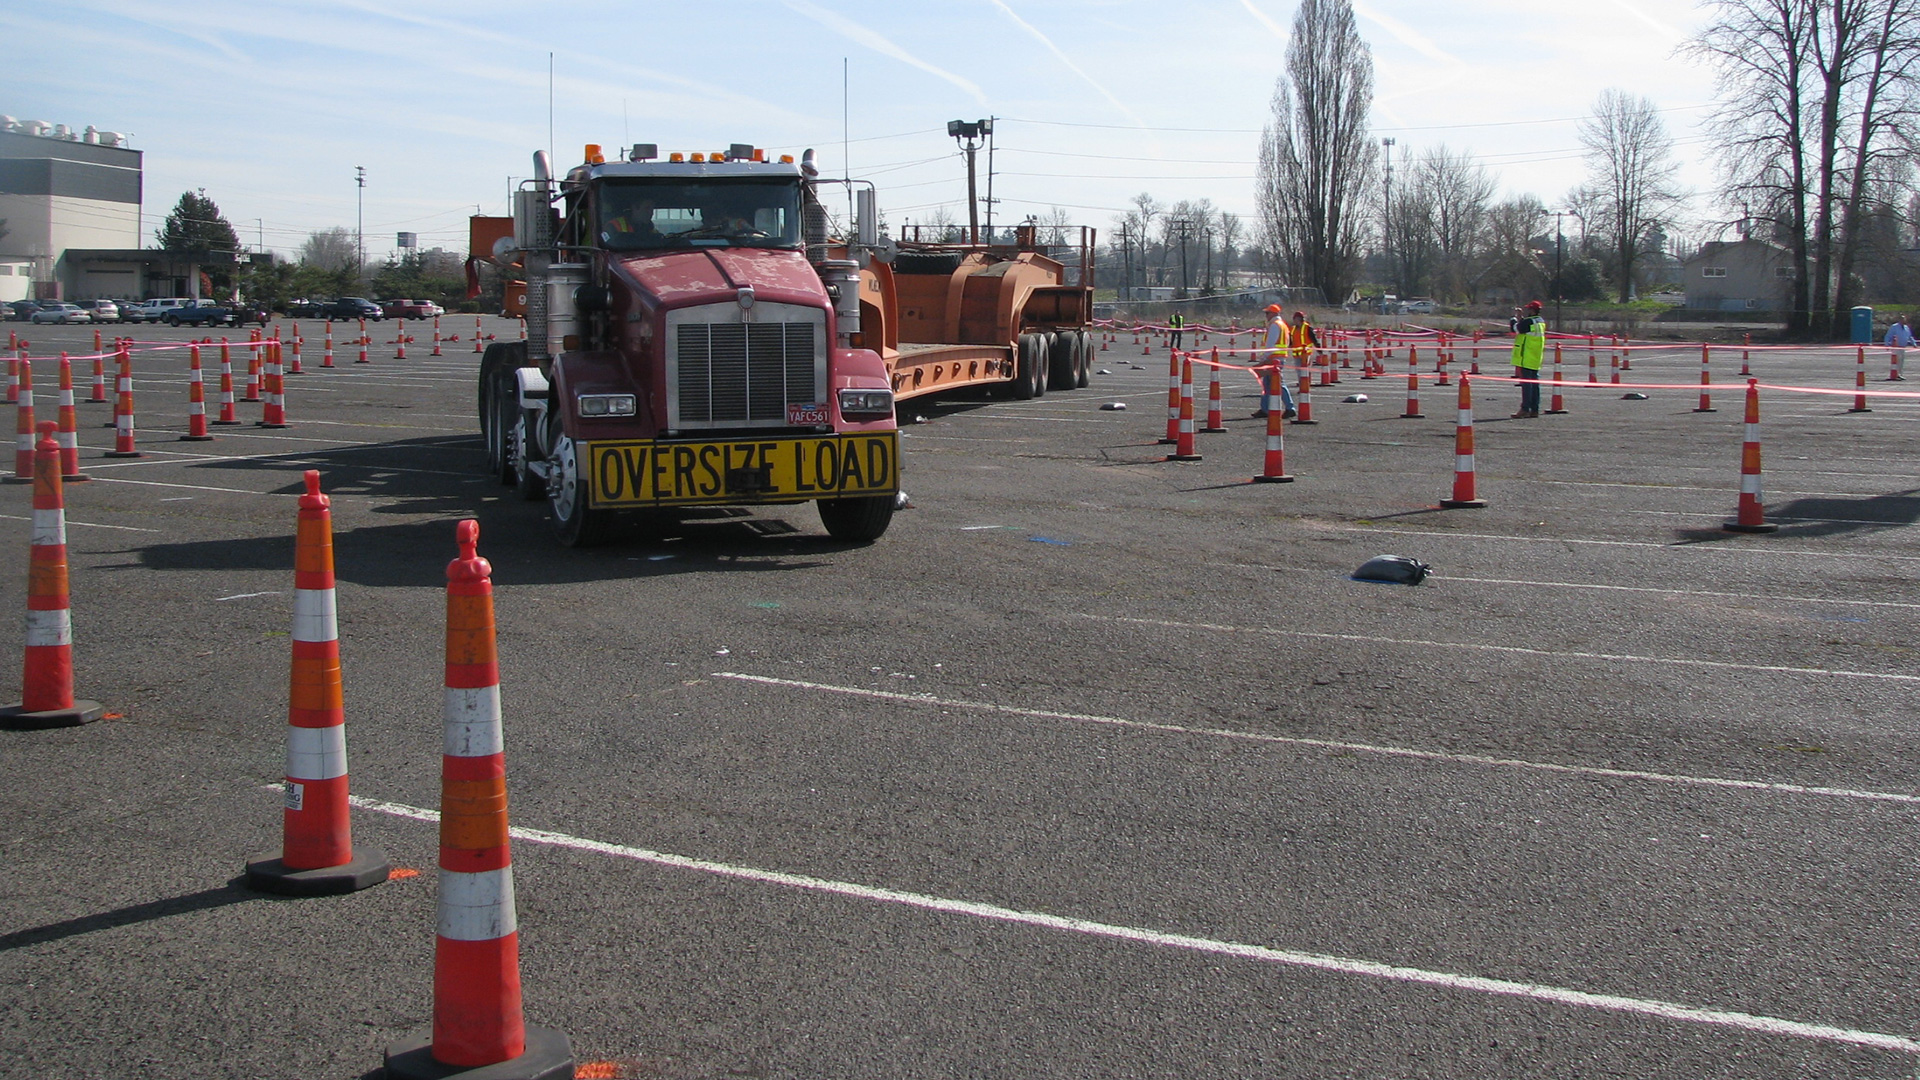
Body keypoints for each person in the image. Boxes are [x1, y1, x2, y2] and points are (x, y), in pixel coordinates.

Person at [1253, 303, 1297, 418]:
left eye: (1267, 313)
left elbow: (1270, 344)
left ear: (1273, 313)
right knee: (1268, 384)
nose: (1266, 316)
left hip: (1273, 358)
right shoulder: (1283, 325)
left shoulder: (1275, 325)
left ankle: (1288, 407)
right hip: (1278, 357)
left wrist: (1264, 358)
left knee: (1276, 383)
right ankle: (1267, 408)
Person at [1511, 300, 1546, 418]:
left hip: (1526, 355)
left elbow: (1516, 328)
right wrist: (1522, 318)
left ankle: (1525, 408)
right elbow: (1525, 326)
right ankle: (1534, 409)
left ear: (1532, 310)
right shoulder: (1540, 321)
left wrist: (1515, 318)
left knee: (1526, 384)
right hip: (1536, 356)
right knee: (1535, 383)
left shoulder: (1529, 321)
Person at [1886, 314, 1914, 380]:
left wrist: (1914, 343)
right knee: (1896, 361)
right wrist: (1887, 344)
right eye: (1902, 319)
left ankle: (1899, 374)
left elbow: (1910, 336)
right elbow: (1888, 336)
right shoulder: (1894, 327)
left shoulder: (1906, 327)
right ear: (1899, 320)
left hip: (1903, 347)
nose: (1903, 320)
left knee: (1901, 361)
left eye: (1904, 319)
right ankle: (1895, 374)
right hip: (1896, 347)